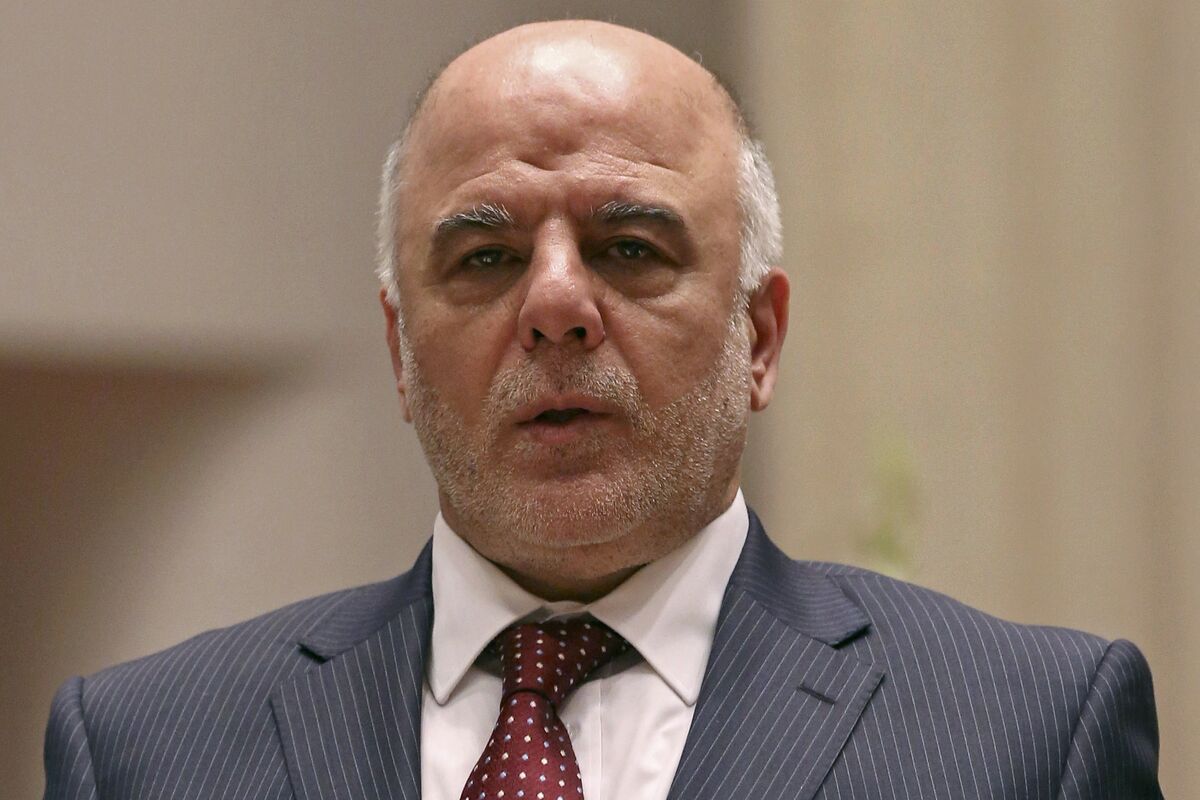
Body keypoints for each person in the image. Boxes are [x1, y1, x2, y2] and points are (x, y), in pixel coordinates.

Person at [43, 19, 1162, 800]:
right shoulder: (147, 754)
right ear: (399, 351)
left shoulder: (1025, 737)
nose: (555, 307)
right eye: (486, 257)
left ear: (760, 337)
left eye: (629, 248)